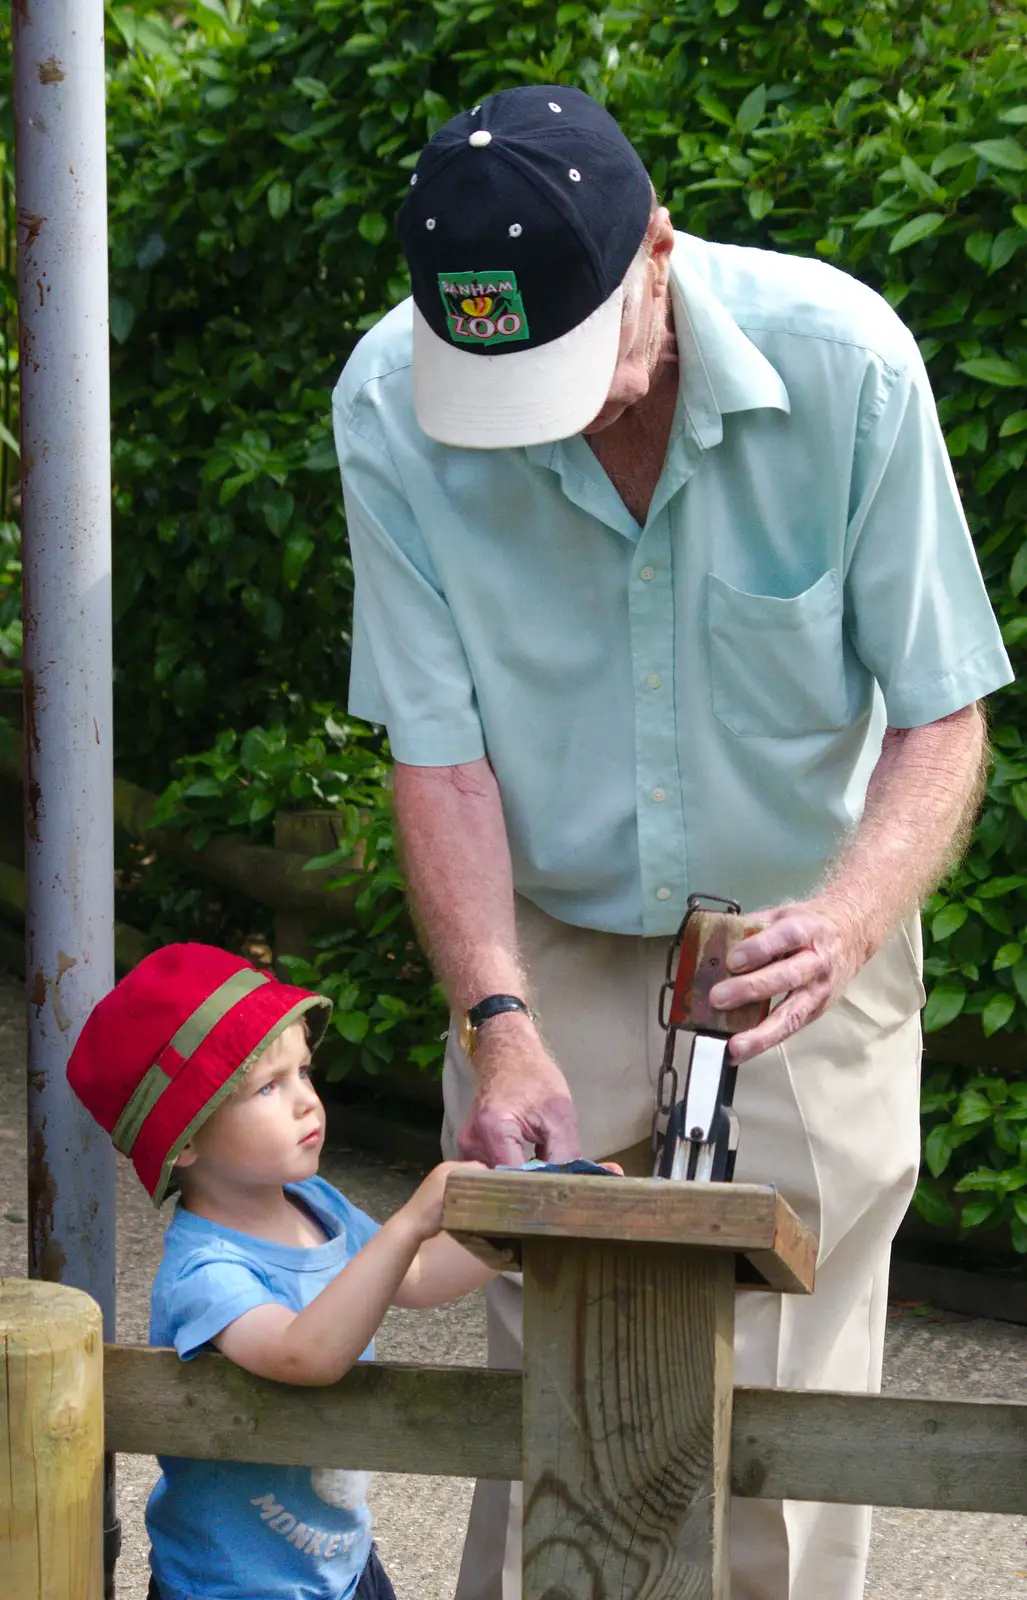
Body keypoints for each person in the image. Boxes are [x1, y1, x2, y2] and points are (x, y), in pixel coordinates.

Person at [332, 81, 1014, 1600]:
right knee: (545, 1409)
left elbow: (939, 717)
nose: (557, 423)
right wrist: (494, 1023)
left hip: (795, 936)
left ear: (654, 251)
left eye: (583, 370)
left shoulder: (849, 367)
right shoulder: (390, 398)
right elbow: (434, 755)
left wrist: (843, 921)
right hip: (544, 926)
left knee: (782, 1428)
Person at [66, 942, 493, 1600]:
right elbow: (303, 1355)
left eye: (304, 1073)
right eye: (269, 1087)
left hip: (344, 1567)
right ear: (183, 1140)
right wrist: (410, 1220)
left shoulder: (316, 1205)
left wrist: (526, 1228)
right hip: (233, 1587)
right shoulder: (205, 1270)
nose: (307, 1102)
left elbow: (413, 1277)